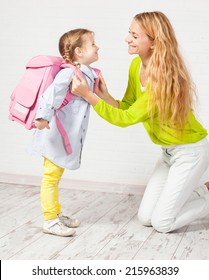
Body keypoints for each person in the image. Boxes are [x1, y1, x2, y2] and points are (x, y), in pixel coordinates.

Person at [71, 12, 209, 233]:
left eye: (135, 35)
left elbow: (125, 119)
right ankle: (195, 191)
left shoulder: (161, 79)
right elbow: (126, 106)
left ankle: (206, 199)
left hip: (190, 152)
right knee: (146, 218)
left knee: (162, 223)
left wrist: (89, 96)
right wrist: (104, 96)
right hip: (168, 152)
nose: (127, 39)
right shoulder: (136, 66)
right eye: (129, 33)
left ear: (154, 42)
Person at [31, 28, 100, 236]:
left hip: (62, 136)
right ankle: (50, 220)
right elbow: (50, 95)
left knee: (56, 175)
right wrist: (42, 118)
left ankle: (56, 214)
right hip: (53, 134)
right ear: (79, 51)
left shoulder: (83, 72)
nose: (98, 47)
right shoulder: (69, 72)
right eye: (93, 44)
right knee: (50, 177)